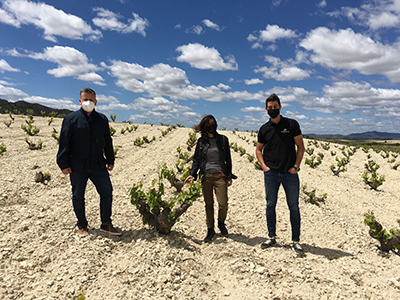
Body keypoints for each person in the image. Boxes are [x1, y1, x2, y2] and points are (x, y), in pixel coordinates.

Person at [57, 87, 121, 236]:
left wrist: (110, 159)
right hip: (77, 165)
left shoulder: (102, 119)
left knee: (107, 192)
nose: (88, 102)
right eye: (85, 99)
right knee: (78, 195)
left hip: (98, 164)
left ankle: (106, 224)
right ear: (80, 101)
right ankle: (82, 225)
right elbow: (64, 141)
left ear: (96, 102)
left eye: (91, 100)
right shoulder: (71, 119)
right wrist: (63, 163)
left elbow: (107, 141)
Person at [255, 93, 305, 252]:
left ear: (280, 107)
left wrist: (296, 167)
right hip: (271, 173)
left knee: (294, 207)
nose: (272, 110)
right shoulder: (264, 129)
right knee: (270, 205)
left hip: (290, 173)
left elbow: (301, 147)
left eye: (275, 107)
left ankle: (296, 241)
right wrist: (264, 166)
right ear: (266, 109)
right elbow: (258, 150)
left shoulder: (291, 124)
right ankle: (271, 237)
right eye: (270, 108)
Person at [184, 115, 237, 242]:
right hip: (206, 176)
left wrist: (229, 175)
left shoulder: (223, 140)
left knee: (223, 203)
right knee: (209, 204)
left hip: (220, 176)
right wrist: (192, 174)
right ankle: (210, 229)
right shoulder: (201, 142)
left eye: (213, 124)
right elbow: (196, 159)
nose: (211, 126)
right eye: (209, 124)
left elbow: (228, 159)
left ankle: (221, 222)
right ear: (204, 127)